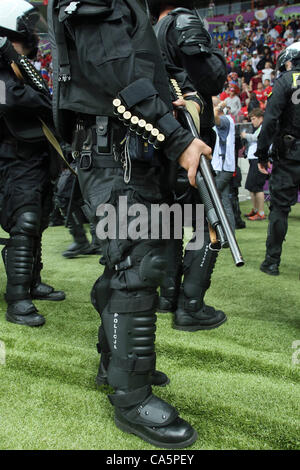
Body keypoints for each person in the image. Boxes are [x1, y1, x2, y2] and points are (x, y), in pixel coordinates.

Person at [48, 0, 213, 448]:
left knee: (135, 259)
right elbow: (113, 71)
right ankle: (131, 395)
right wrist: (178, 137)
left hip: (125, 147)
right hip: (112, 150)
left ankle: (115, 363)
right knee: (137, 265)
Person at [149, 0, 227, 328]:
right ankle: (191, 305)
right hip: (190, 137)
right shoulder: (182, 19)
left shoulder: (150, 31)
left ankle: (168, 297)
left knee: (169, 218)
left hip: (161, 138)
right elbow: (212, 78)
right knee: (213, 219)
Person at [0, 0, 65, 327]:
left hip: (37, 157)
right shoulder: (3, 74)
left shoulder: (22, 66)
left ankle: (31, 282)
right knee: (24, 221)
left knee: (37, 220)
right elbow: (13, 99)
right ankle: (17, 299)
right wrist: (45, 102)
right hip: (13, 158)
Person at [256, 42, 300, 276]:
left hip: (289, 154)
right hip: (290, 152)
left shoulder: (285, 81)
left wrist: (262, 153)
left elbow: (270, 120)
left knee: (280, 210)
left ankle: (272, 261)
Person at [212, 97, 236, 231]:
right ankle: (229, 233)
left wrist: (219, 106)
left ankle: (220, 231)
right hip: (224, 166)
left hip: (222, 166)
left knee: (212, 197)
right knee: (224, 200)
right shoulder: (228, 120)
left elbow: (215, 117)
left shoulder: (225, 120)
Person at [242, 108, 268, 221]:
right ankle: (256, 210)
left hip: (259, 160)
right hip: (254, 159)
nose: (252, 121)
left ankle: (261, 212)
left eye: (253, 119)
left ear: (260, 118)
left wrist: (245, 135)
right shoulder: (259, 128)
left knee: (257, 187)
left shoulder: (264, 127)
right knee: (251, 187)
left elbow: (257, 138)